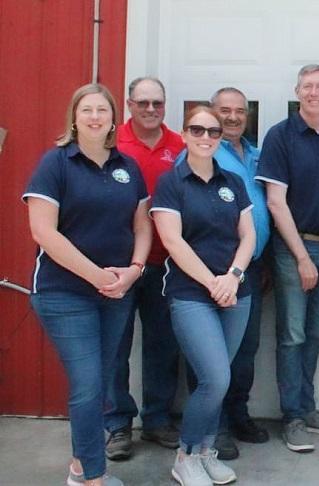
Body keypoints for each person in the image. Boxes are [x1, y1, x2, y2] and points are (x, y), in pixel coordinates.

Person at [24, 83, 151, 486]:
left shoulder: (127, 167)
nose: (95, 117)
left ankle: (81, 466)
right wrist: (97, 276)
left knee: (101, 379)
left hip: (116, 292)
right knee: (88, 384)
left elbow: (142, 223)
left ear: (115, 119)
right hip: (65, 294)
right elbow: (44, 232)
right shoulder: (56, 163)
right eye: (87, 110)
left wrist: (133, 270)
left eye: (102, 110)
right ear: (74, 119)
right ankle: (92, 477)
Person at [151, 105, 255, 486]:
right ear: (184, 134)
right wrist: (213, 282)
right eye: (198, 130)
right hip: (190, 293)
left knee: (220, 378)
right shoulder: (171, 183)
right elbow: (173, 242)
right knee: (214, 377)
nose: (206, 137)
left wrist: (233, 276)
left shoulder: (233, 181)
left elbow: (248, 235)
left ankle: (205, 451)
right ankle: (185, 455)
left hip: (236, 293)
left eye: (213, 131)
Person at [255, 64, 319, 452]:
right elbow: (276, 204)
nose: (314, 92)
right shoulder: (280, 136)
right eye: (307, 86)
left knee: (316, 333)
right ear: (297, 91)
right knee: (292, 335)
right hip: (294, 249)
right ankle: (292, 418)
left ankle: (308, 408)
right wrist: (301, 257)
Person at [178, 87, 271, 460]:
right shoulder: (195, 161)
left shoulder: (255, 155)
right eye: (224, 112)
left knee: (244, 351)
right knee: (210, 358)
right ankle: (211, 432)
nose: (232, 117)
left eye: (239, 112)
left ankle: (237, 415)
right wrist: (220, 275)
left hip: (250, 268)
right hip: (207, 274)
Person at [105, 77, 185, 460]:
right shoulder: (110, 141)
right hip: (116, 265)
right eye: (143, 103)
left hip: (165, 266)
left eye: (157, 103)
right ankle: (118, 425)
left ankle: (157, 420)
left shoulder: (180, 145)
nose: (151, 110)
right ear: (129, 104)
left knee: (163, 347)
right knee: (115, 348)